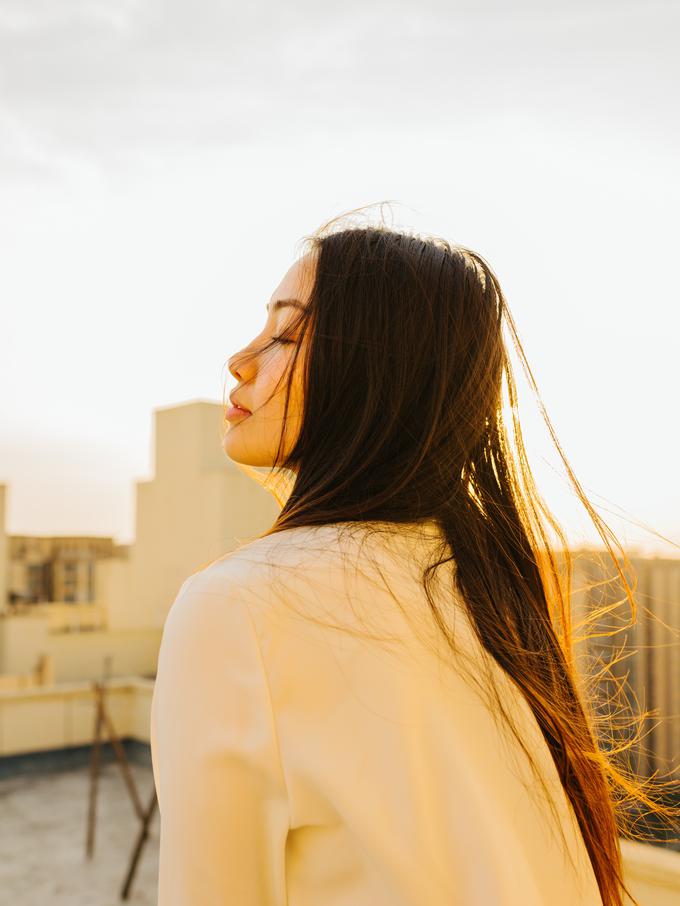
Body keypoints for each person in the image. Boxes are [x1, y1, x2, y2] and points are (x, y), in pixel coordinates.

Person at [150, 211, 651, 905]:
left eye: (286, 333)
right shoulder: (489, 585)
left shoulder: (239, 605)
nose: (240, 359)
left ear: (376, 372)